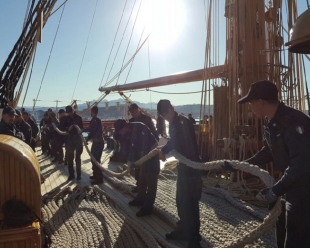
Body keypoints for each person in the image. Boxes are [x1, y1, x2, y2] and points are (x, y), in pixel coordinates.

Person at [238, 80, 310, 248]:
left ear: (261, 102)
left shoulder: (295, 122)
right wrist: (241, 165)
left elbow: (302, 164)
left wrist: (275, 190)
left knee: (297, 238)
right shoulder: (269, 122)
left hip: (304, 191)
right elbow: (268, 150)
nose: (250, 107)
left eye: (251, 103)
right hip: (289, 187)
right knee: (282, 230)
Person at [155, 99, 202, 248]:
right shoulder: (174, 122)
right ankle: (183, 230)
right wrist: (164, 148)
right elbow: (174, 141)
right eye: (163, 115)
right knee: (180, 201)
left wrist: (164, 150)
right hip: (184, 166)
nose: (165, 117)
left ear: (172, 108)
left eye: (166, 113)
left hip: (192, 167)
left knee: (191, 203)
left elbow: (179, 142)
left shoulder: (181, 122)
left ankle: (194, 240)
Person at [113, 119, 160, 217]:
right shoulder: (124, 133)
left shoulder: (140, 127)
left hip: (151, 155)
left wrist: (139, 160)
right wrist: (130, 161)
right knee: (142, 179)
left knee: (151, 181)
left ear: (125, 126)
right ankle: (140, 199)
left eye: (121, 130)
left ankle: (148, 208)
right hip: (141, 157)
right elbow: (127, 148)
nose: (121, 133)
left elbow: (146, 146)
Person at [128, 103, 159, 193]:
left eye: (133, 111)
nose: (132, 113)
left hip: (147, 147)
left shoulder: (147, 119)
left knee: (147, 170)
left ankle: (146, 187)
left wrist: (154, 147)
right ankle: (139, 186)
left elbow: (154, 133)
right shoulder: (131, 121)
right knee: (138, 168)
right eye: (130, 112)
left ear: (138, 109)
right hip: (137, 148)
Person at [83, 106, 104, 184]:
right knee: (93, 159)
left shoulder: (96, 120)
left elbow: (92, 130)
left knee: (96, 160)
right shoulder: (95, 120)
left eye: (91, 112)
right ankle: (95, 174)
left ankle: (99, 178)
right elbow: (92, 131)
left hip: (99, 142)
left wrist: (83, 131)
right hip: (96, 142)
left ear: (93, 112)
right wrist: (88, 137)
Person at [63, 105, 83, 181]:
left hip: (78, 139)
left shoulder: (79, 118)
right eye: (68, 112)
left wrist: (78, 128)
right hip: (70, 139)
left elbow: (81, 128)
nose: (70, 113)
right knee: (70, 158)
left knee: (78, 158)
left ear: (73, 111)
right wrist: (68, 128)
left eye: (70, 112)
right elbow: (63, 128)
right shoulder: (66, 119)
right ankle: (71, 174)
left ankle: (79, 175)